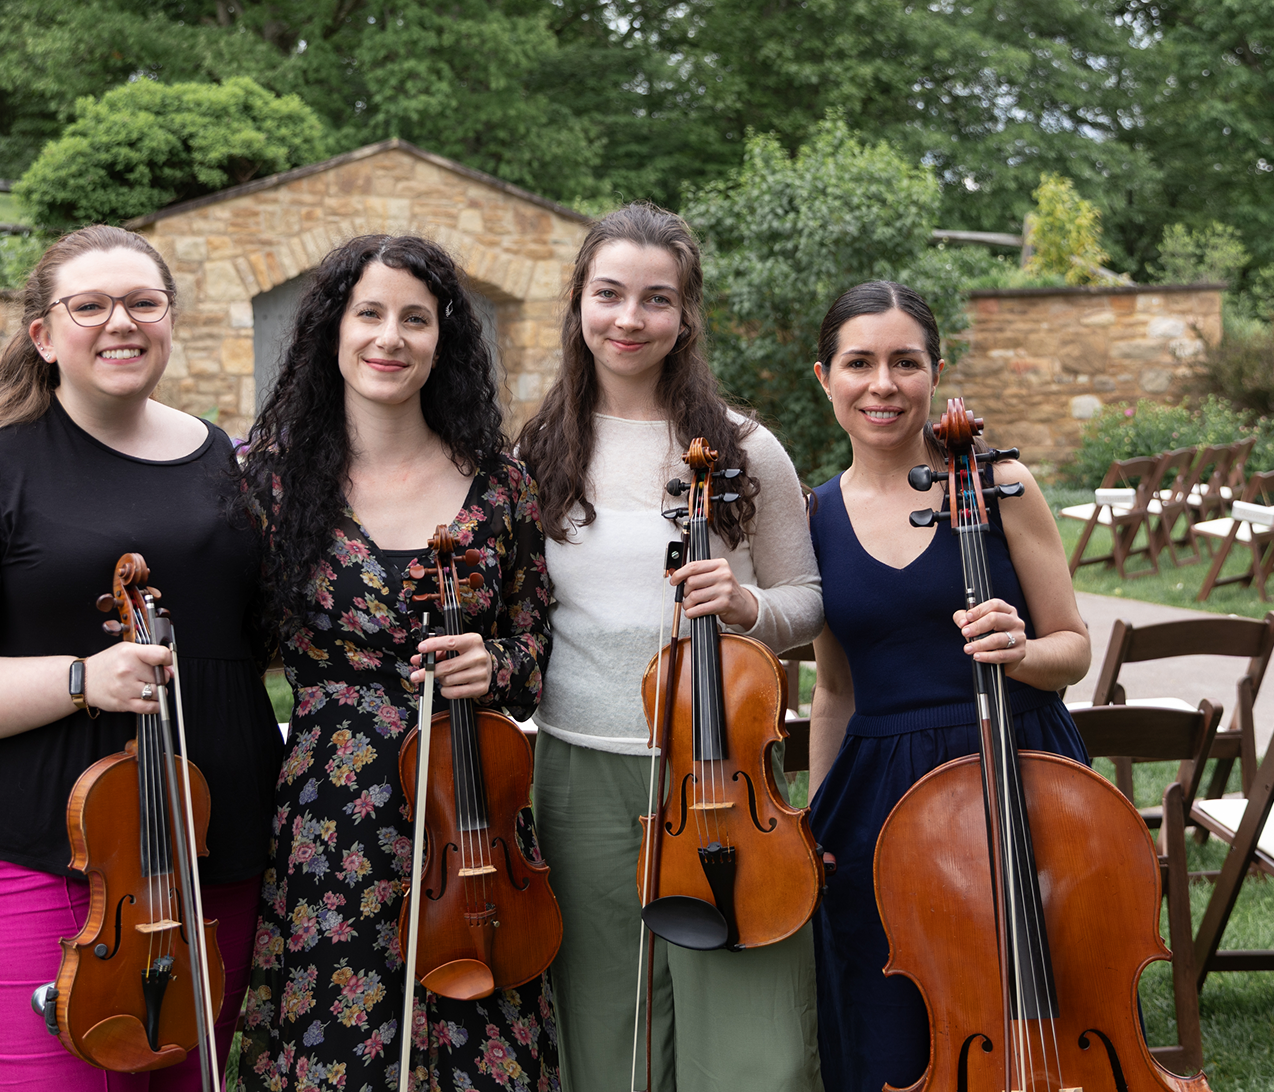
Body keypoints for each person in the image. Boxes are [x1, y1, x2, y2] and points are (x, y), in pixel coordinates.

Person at [0, 224, 284, 1090]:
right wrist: (80, 678)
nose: (118, 322)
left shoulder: (232, 466)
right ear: (44, 336)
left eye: (142, 302)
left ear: (170, 319)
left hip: (214, 850)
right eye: (88, 305)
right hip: (32, 856)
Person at [233, 234, 559, 1092]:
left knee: (486, 1042)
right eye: (369, 313)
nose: (391, 336)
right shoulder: (267, 482)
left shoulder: (499, 483)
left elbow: (536, 645)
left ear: (442, 338)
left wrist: (493, 662)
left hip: (471, 808)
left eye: (415, 318)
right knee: (335, 1050)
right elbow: (234, 639)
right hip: (331, 811)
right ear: (333, 331)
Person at [515, 203, 826, 1092]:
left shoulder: (743, 446)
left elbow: (806, 600)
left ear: (685, 314)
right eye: (609, 293)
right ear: (579, 301)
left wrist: (743, 605)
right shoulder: (536, 449)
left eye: (656, 299)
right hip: (579, 764)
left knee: (754, 1036)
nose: (629, 318)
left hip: (721, 766)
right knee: (610, 1022)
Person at [804, 279, 1091, 1092]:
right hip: (878, 801)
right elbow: (835, 690)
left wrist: (1019, 650)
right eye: (859, 362)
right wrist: (818, 818)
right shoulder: (816, 516)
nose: (883, 384)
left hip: (1019, 767)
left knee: (1047, 1006)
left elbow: (1073, 648)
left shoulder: (1002, 484)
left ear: (937, 371)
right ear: (824, 378)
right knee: (891, 1026)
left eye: (906, 361)